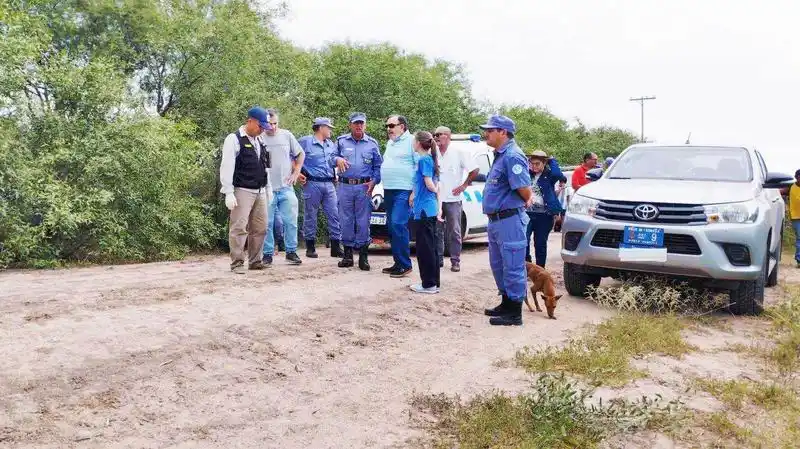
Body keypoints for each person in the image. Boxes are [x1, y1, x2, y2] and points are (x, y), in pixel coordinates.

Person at [479, 115, 534, 326]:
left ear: (503, 132)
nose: (486, 133)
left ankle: (514, 312)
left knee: (512, 265)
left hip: (509, 219)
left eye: (490, 130)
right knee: (498, 264)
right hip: (497, 220)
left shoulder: (512, 156)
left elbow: (524, 190)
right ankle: (506, 302)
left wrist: (522, 201)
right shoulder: (501, 155)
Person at [219, 106, 272, 274]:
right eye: (260, 126)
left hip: (260, 190)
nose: (262, 129)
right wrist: (228, 192)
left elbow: (266, 166)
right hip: (242, 189)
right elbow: (227, 166)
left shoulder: (261, 140)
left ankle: (255, 260)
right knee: (239, 227)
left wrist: (268, 187)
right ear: (250, 121)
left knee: (261, 227)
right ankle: (237, 262)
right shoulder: (234, 139)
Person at [334, 112, 383, 270]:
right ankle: (348, 255)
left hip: (364, 187)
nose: (359, 126)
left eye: (361, 123)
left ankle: (363, 256)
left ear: (365, 125)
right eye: (356, 123)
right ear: (350, 125)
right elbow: (330, 158)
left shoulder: (372, 144)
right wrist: (337, 159)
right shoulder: (341, 141)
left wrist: (375, 181)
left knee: (363, 221)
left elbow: (378, 166)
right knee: (345, 220)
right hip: (345, 186)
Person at [261, 109, 305, 265]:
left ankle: (291, 252)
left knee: (291, 221)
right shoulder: (259, 137)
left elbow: (300, 154)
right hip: (267, 188)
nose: (273, 127)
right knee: (267, 223)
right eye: (269, 124)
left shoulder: (287, 135)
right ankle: (267, 254)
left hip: (286, 187)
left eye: (275, 123)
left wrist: (296, 172)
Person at [433, 126, 479, 272]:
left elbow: (475, 169)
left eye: (439, 135)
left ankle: (455, 260)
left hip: (453, 198)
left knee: (454, 230)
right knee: (436, 230)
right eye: (435, 135)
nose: (436, 137)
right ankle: (438, 259)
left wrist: (464, 185)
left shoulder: (458, 152)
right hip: (436, 198)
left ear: (447, 136)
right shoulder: (433, 152)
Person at [298, 117, 343, 259]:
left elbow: (334, 161)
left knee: (334, 214)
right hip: (312, 183)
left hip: (329, 184)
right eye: (328, 127)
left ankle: (336, 247)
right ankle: (310, 247)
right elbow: (291, 156)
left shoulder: (331, 145)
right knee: (310, 215)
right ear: (320, 127)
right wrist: (297, 172)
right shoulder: (305, 142)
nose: (330, 130)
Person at [380, 115, 417, 278]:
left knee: (398, 223)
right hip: (389, 189)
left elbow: (419, 165)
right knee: (391, 227)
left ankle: (405, 264)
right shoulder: (391, 142)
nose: (388, 129)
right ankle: (398, 262)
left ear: (402, 126)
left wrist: (414, 191)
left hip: (404, 189)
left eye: (391, 125)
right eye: (387, 126)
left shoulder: (412, 141)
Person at [409, 131, 442, 294]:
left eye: (413, 140)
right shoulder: (429, 159)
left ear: (418, 143)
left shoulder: (423, 160)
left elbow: (429, 183)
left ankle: (428, 284)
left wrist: (434, 190)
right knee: (431, 247)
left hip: (424, 210)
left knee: (425, 249)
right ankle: (434, 282)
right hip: (428, 209)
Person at [524, 149, 566, 267]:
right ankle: (527, 266)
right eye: (532, 163)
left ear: (544, 163)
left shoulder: (549, 176)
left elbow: (558, 174)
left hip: (544, 214)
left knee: (540, 244)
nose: (534, 166)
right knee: (523, 241)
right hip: (527, 213)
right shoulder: (526, 174)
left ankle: (540, 269)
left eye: (537, 164)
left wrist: (552, 160)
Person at [781, 169, 800, 267]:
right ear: (796, 177)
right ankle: (799, 259)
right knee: (799, 237)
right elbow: (780, 192)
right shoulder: (791, 187)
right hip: (796, 217)